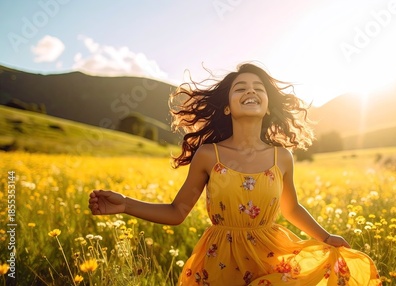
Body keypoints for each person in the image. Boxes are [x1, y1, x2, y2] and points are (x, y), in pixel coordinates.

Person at [88, 63, 381, 285]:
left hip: (271, 258)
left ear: (268, 106)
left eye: (258, 88)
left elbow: (291, 208)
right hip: (219, 260)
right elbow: (177, 212)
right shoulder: (208, 155)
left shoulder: (282, 157)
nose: (250, 91)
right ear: (227, 107)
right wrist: (126, 204)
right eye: (240, 88)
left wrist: (326, 236)